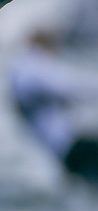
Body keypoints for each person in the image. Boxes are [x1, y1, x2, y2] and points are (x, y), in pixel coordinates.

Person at [9, 28, 98, 184]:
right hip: (67, 147)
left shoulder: (26, 68)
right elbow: (68, 86)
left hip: (63, 149)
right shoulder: (29, 66)